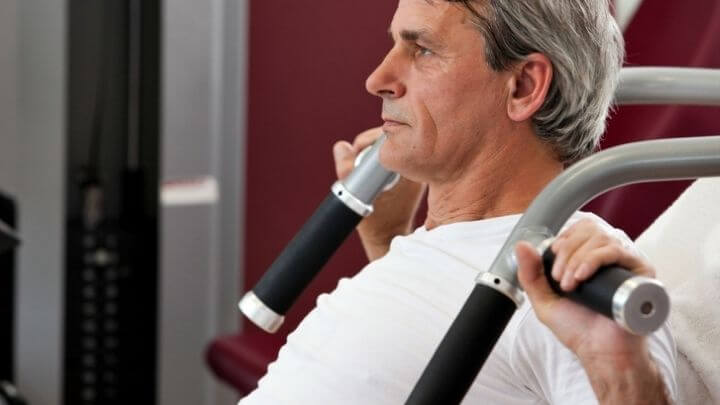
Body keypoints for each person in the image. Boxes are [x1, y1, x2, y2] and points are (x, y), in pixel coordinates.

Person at [240, 0, 677, 403]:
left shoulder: (567, 282)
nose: (378, 81)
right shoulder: (449, 246)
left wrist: (622, 371)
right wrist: (388, 239)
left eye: (423, 50)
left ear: (523, 86)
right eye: (394, 44)